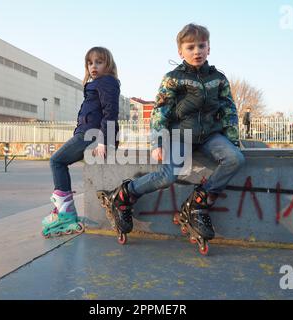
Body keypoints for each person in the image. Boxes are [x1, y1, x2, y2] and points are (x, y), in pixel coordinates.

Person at [100, 23, 245, 254]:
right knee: (168, 175)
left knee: (235, 158)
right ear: (181, 52)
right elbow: (160, 111)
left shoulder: (218, 78)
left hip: (210, 136)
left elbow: (229, 110)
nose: (196, 51)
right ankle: (123, 195)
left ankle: (198, 203)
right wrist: (157, 142)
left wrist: (232, 139)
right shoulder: (173, 79)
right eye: (190, 47)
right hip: (180, 135)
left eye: (201, 46)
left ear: (209, 48)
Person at [42, 47, 120, 238]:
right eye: (90, 62)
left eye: (99, 62)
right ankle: (64, 211)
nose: (93, 66)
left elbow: (111, 113)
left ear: (108, 64)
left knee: (57, 161)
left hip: (92, 135)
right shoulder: (96, 83)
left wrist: (104, 140)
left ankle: (65, 213)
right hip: (88, 133)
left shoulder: (107, 82)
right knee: (58, 161)